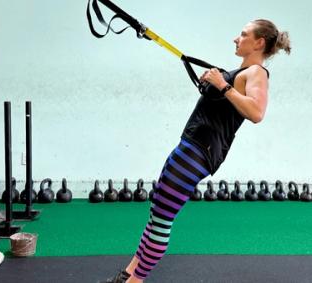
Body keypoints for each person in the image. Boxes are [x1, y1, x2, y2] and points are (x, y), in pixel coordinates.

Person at [102, 19, 291, 283]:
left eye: (244, 34)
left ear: (259, 42)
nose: (236, 38)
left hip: (199, 151)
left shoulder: (257, 73)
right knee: (157, 211)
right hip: (191, 146)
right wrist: (216, 82)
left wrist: (222, 85)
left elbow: (257, 113)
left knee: (163, 219)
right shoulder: (237, 73)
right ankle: (128, 275)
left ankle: (136, 280)